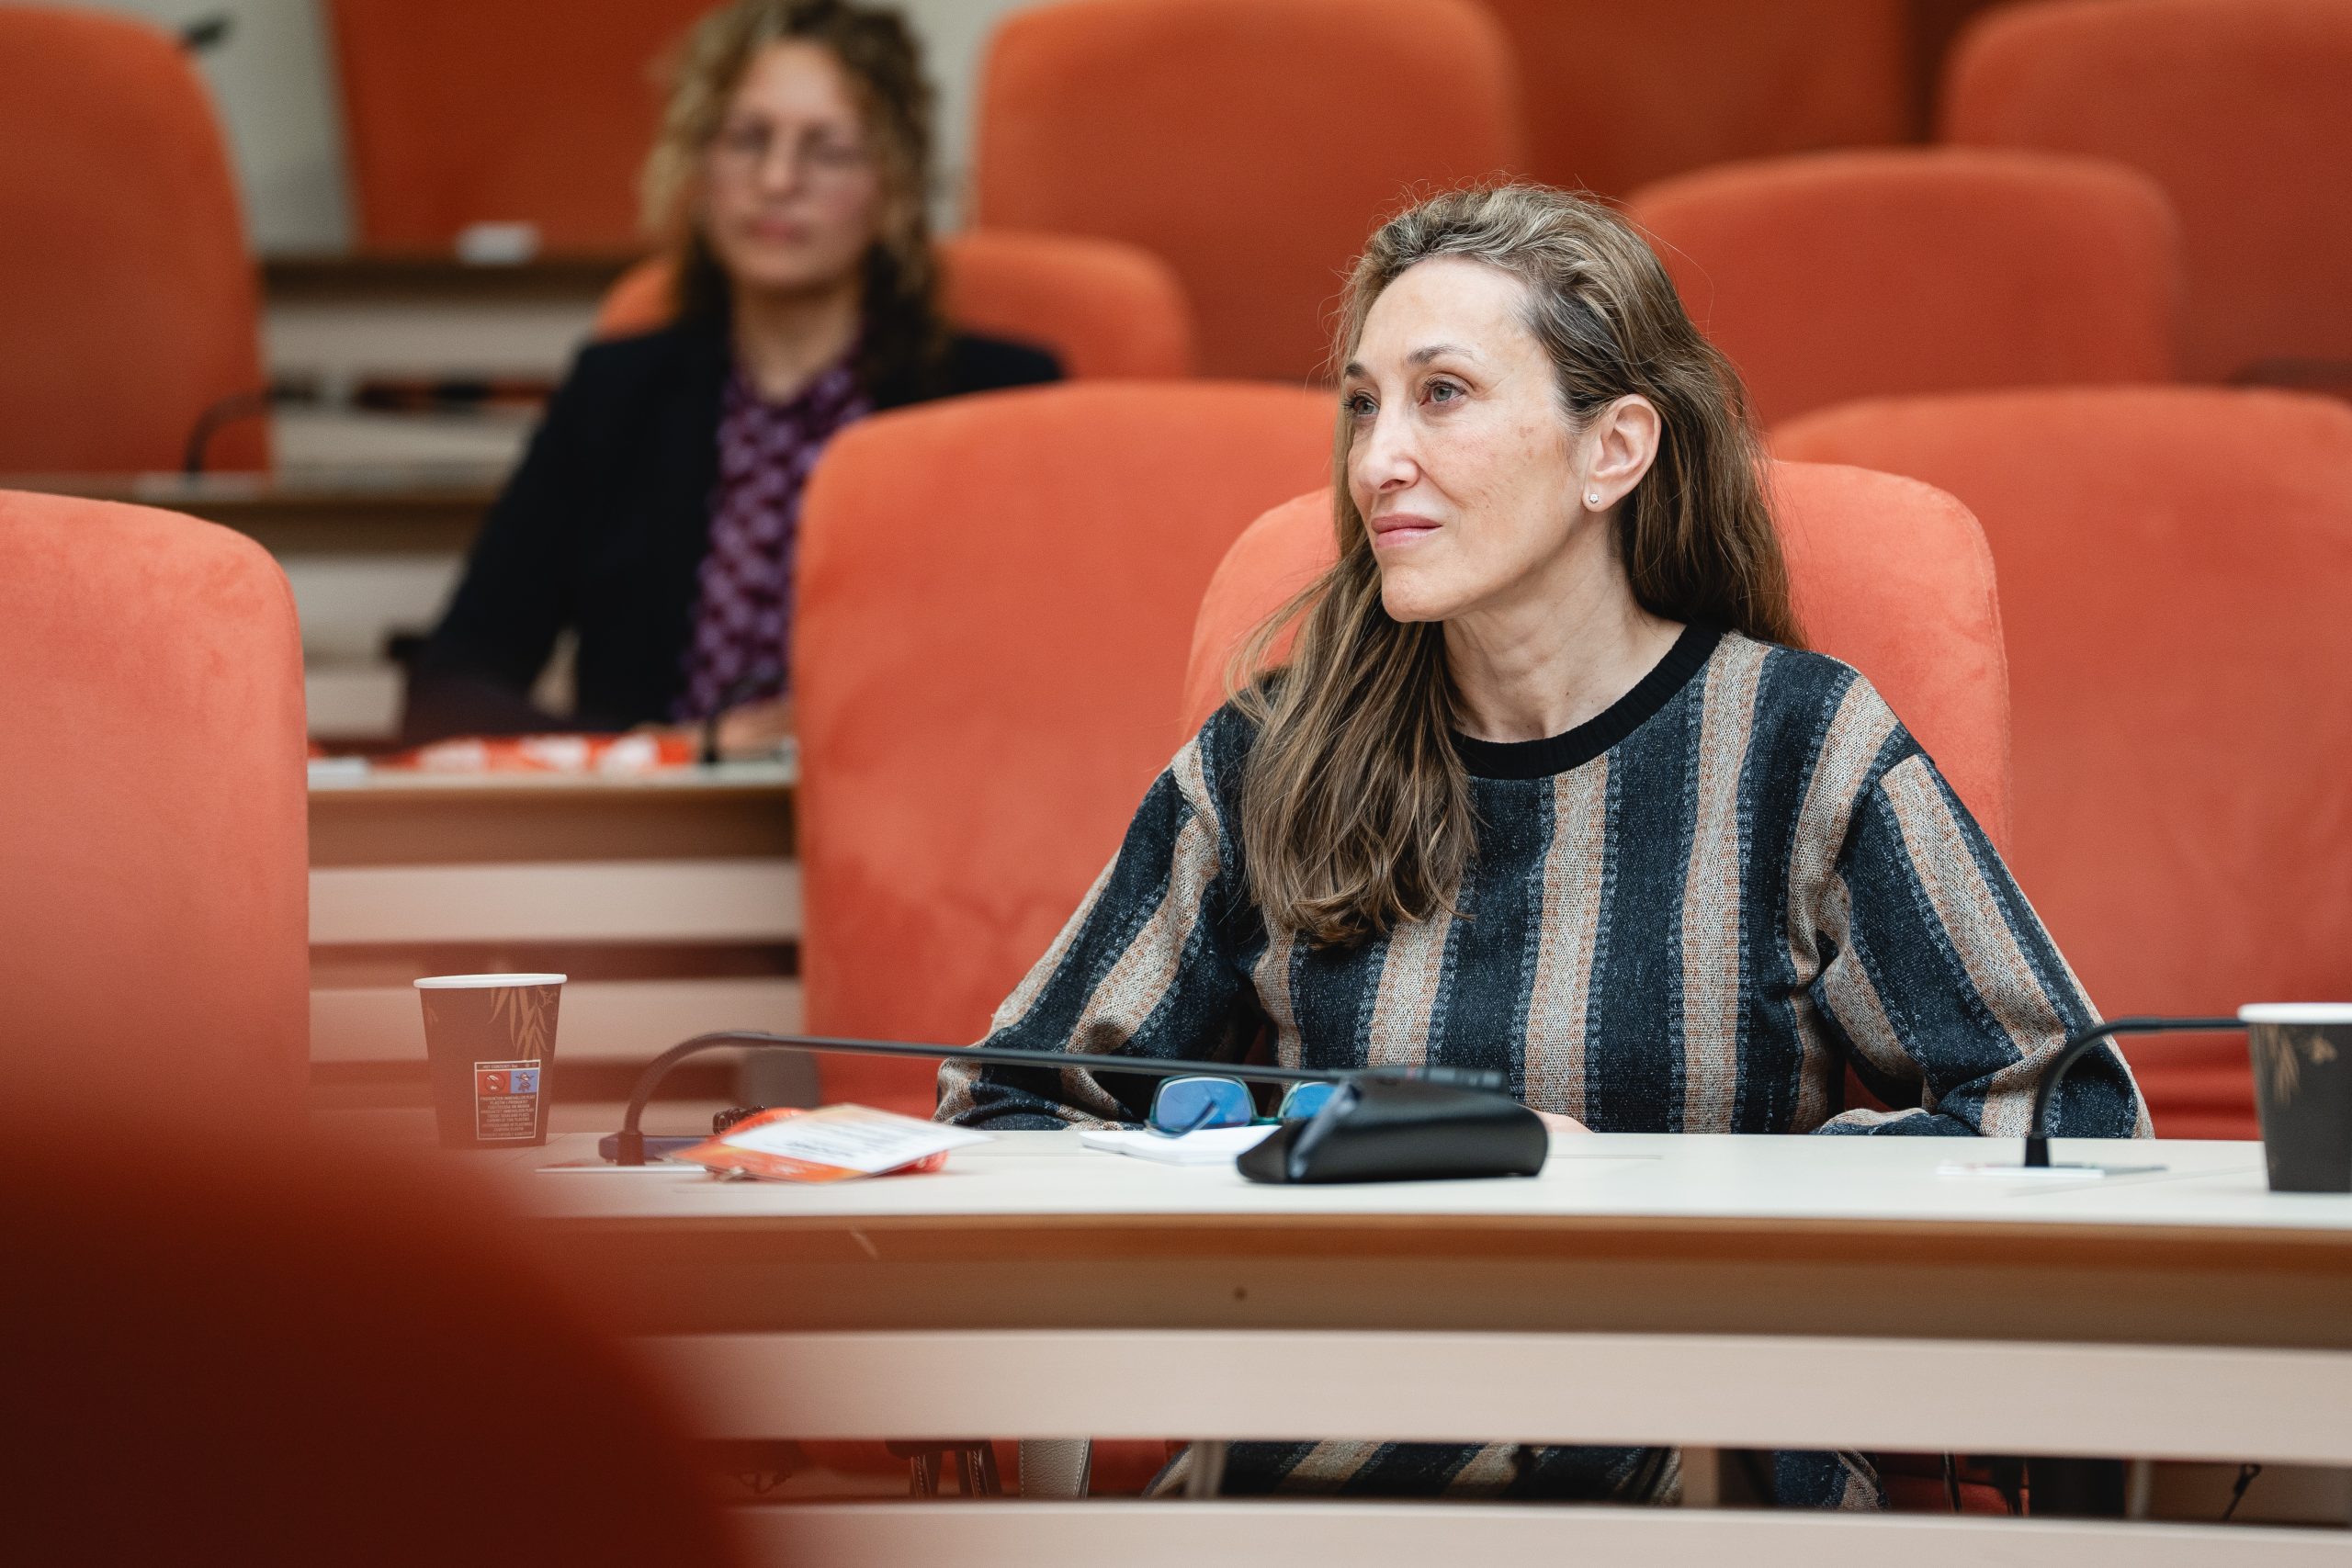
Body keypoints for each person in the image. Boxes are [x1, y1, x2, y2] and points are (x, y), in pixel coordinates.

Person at [937, 185, 2148, 1506]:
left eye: (1442, 395)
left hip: (1697, 1469)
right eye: (1363, 405)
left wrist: (1652, 1192)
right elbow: (1009, 1105)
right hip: (1318, 1475)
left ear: (1612, 448)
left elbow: (2070, 1113)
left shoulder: (1799, 744)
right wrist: (1311, 1171)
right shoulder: (1270, 759)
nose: (1376, 460)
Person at [404, 0, 1060, 750]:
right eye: (748, 139)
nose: (777, 180)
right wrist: (669, 753)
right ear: (699, 166)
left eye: (827, 150)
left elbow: (1053, 693)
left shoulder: (997, 402)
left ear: (895, 186)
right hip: (669, 815)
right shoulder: (615, 394)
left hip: (919, 809)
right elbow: (447, 691)